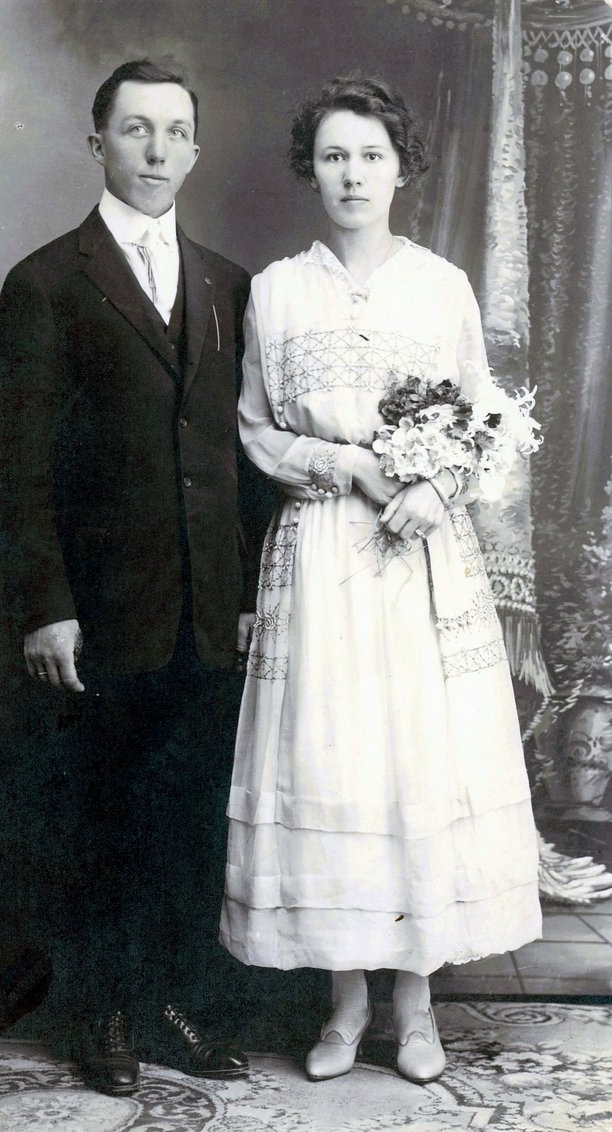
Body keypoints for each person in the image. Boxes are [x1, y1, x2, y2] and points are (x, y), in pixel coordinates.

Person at [219, 76, 542, 1085]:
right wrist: (340, 464)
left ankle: (415, 1006)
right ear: (307, 169)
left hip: (416, 561)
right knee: (332, 762)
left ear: (403, 166)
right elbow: (255, 425)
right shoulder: (276, 289)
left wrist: (437, 490)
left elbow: (483, 417)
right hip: (318, 554)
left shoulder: (439, 285)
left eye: (370, 155)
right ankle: (343, 1004)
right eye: (332, 156)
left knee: (411, 766)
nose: (351, 174)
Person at [0, 58, 270, 1095]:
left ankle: (167, 1003)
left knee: (187, 812)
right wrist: (45, 606)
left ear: (195, 147)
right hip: (99, 612)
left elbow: (241, 458)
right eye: (136, 130)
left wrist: (245, 594)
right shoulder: (47, 281)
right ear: (95, 140)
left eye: (174, 132)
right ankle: (101, 1008)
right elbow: (14, 463)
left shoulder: (229, 283)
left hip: (206, 610)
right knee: (100, 809)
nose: (157, 151)